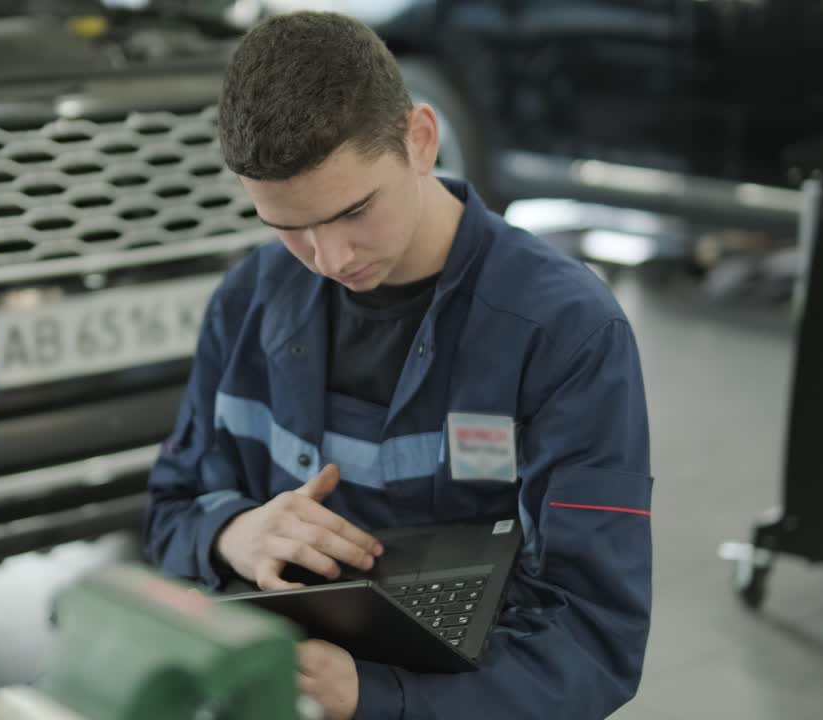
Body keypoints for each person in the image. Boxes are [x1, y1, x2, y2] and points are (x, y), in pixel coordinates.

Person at [144, 11, 652, 720]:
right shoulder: (246, 302)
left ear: (419, 139)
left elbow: (593, 639)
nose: (332, 259)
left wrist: (380, 698)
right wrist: (233, 533)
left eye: (353, 211)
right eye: (289, 228)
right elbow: (169, 508)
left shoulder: (565, 333)